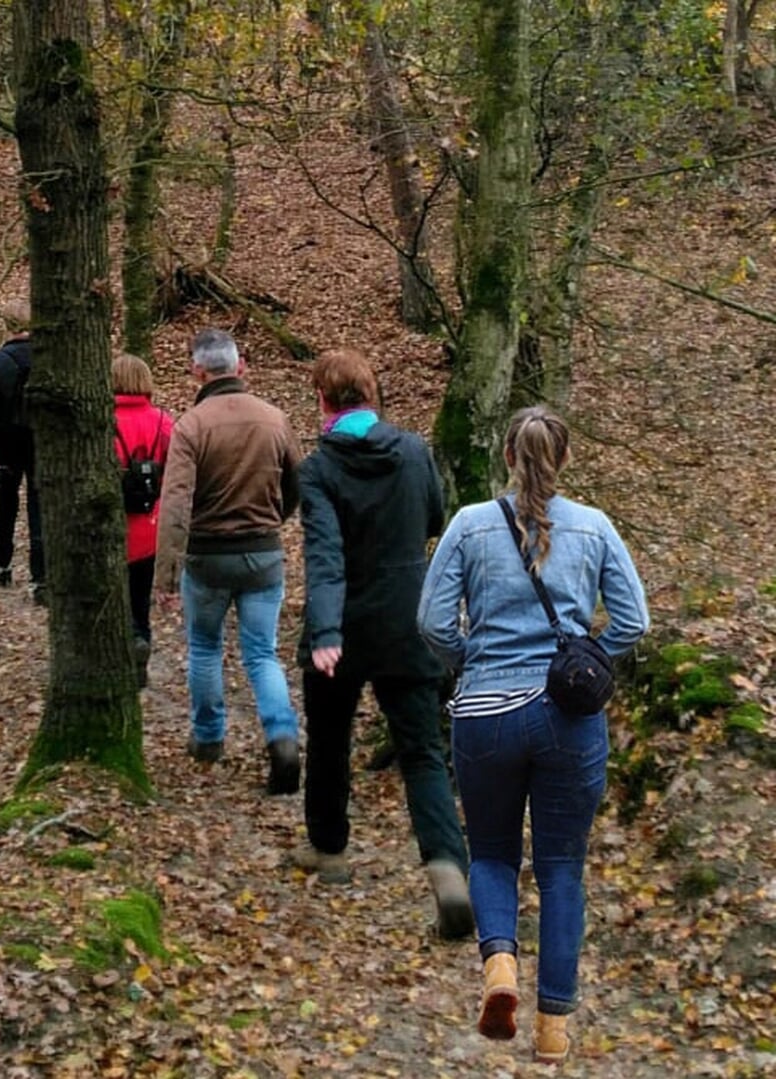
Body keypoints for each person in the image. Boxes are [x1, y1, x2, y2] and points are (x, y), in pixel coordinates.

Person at [417, 405, 649, 1064]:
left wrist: (471, 662)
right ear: (564, 459)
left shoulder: (469, 525)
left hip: (483, 716)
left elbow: (432, 621)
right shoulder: (595, 526)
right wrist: (587, 658)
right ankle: (553, 1030)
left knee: (491, 854)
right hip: (566, 718)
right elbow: (634, 619)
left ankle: (500, 967)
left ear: (508, 457)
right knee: (562, 870)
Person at [288, 350, 473, 941]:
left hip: (342, 626)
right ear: (372, 395)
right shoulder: (415, 452)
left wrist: (325, 632)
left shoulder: (318, 470)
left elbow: (324, 555)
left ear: (322, 401)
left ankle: (330, 850)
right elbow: (435, 518)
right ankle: (446, 867)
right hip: (408, 623)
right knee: (422, 752)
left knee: (329, 740)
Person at [154, 328, 302, 792]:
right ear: (241, 367)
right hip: (263, 554)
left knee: (204, 647)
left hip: (207, 557)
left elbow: (175, 505)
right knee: (262, 653)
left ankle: (208, 737)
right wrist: (274, 519)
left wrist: (166, 576)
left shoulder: (190, 426)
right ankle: (282, 737)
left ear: (197, 371)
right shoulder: (275, 419)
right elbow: (297, 483)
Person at [0, 302, 44, 602]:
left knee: (6, 504)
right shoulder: (46, 358)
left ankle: (3, 563)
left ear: (7, 325)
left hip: (6, 441)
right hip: (41, 440)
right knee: (39, 506)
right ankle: (40, 577)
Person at [111, 353, 172, 684]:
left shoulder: (102, 423)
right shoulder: (163, 421)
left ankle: (116, 658)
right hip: (150, 526)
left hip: (112, 525)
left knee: (111, 599)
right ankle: (140, 644)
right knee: (140, 599)